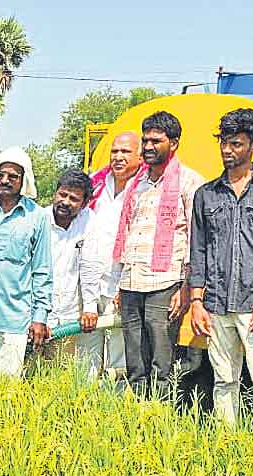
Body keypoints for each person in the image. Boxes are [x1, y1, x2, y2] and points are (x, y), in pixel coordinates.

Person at [189, 108, 253, 447]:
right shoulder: (206, 194)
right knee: (223, 380)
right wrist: (196, 303)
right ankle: (227, 445)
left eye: (236, 144)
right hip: (216, 303)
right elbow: (199, 251)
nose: (227, 150)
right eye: (223, 143)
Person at [112, 111, 206, 398]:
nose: (149, 146)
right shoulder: (136, 184)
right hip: (131, 282)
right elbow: (128, 234)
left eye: (156, 140)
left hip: (165, 284)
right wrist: (120, 282)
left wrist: (186, 288)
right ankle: (138, 413)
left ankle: (160, 416)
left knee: (162, 360)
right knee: (134, 358)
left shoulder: (190, 182)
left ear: (174, 143)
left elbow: (196, 238)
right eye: (146, 140)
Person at [0, 146, 52, 382]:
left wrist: (40, 316)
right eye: (0, 174)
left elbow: (42, 270)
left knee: (6, 387)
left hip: (16, 314)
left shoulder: (37, 216)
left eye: (13, 176)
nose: (5, 180)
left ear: (23, 180)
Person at [78, 132, 141, 378]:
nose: (118, 157)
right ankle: (82, 397)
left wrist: (125, 284)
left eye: (125, 152)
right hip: (91, 281)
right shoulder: (96, 185)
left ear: (139, 155)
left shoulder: (145, 188)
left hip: (123, 284)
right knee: (87, 343)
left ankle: (113, 401)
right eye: (114, 151)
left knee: (119, 346)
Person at [44, 170, 96, 358]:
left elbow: (90, 265)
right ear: (55, 193)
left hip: (67, 314)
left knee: (59, 371)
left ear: (83, 204)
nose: (65, 202)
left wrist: (90, 307)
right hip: (35, 315)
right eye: (62, 194)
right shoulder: (39, 220)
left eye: (73, 198)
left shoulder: (88, 221)